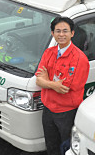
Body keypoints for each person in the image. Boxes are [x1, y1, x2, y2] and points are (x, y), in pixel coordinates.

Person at [35, 16, 90, 155]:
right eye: (57, 31)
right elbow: (39, 80)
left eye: (65, 31)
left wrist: (46, 81)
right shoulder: (49, 53)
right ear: (52, 33)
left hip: (66, 112)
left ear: (72, 33)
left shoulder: (79, 59)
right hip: (48, 109)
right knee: (51, 146)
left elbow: (64, 88)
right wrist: (52, 84)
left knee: (67, 148)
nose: (61, 34)